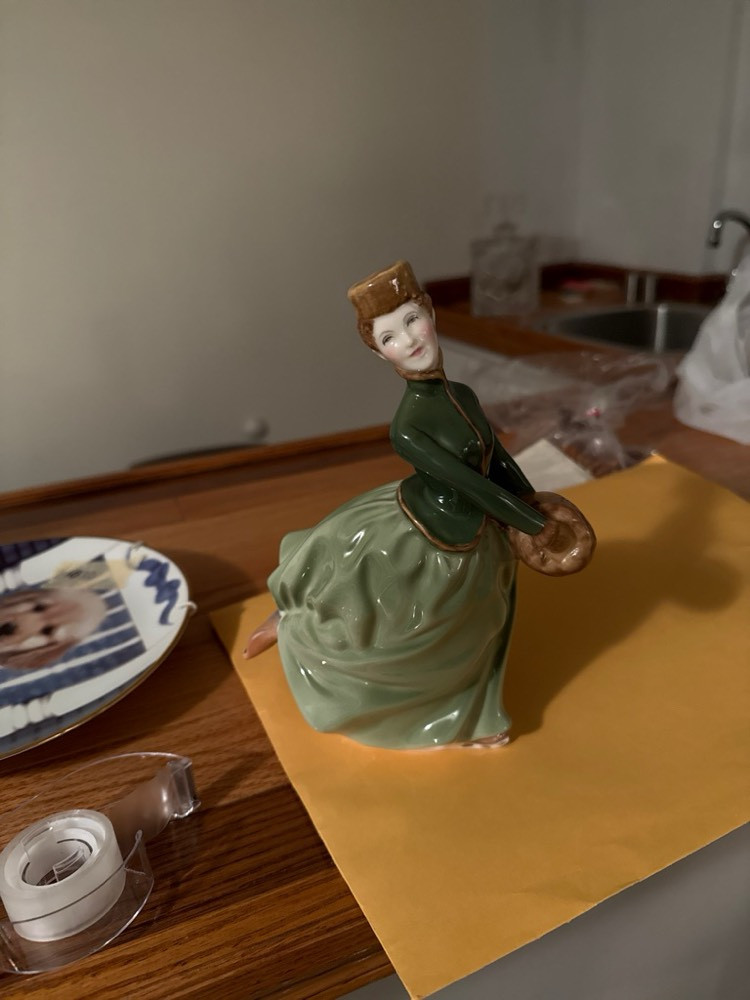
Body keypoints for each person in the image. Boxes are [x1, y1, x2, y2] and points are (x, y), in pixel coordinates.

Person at [245, 261, 594, 749]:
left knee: (480, 626)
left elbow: (495, 456)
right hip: (437, 535)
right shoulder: (407, 427)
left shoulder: (462, 395)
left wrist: (531, 498)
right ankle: (434, 711)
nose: (408, 340)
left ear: (430, 313)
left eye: (411, 320)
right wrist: (532, 523)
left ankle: (472, 712)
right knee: (425, 636)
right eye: (389, 337)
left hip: (481, 529)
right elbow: (469, 484)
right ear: (378, 353)